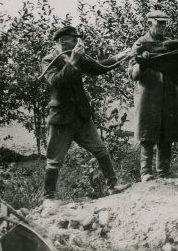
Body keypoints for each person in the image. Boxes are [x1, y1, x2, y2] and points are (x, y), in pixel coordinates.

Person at [41, 25, 129, 206]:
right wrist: (73, 59)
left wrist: (122, 55)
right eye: (74, 39)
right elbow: (56, 81)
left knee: (100, 150)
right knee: (54, 160)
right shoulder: (49, 60)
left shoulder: (78, 57)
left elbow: (98, 67)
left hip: (81, 117)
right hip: (61, 119)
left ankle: (113, 185)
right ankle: (49, 198)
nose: (77, 42)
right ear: (61, 41)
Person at [128, 10, 178, 182]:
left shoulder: (169, 44)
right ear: (149, 24)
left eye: (164, 24)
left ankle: (164, 171)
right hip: (149, 96)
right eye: (158, 23)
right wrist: (142, 64)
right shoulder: (140, 44)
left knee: (167, 132)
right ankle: (145, 172)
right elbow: (132, 73)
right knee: (148, 134)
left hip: (168, 95)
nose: (162, 27)